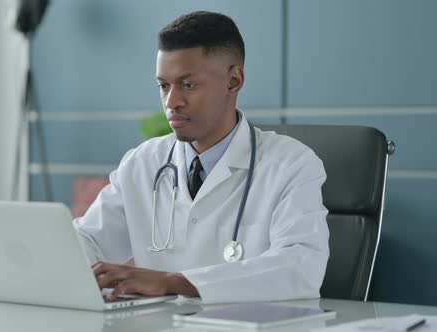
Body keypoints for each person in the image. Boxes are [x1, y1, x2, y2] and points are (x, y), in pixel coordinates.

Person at [73, 11, 329, 304]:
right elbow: (89, 240)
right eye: (163, 86)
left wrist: (173, 283)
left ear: (234, 81)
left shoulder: (292, 164)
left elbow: (300, 268)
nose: (171, 102)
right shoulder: (143, 162)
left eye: (188, 85)